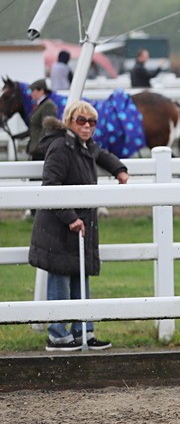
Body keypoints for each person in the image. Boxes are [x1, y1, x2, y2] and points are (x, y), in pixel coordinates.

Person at [28, 100, 129, 351]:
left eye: (91, 122)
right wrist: (71, 217)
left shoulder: (85, 146)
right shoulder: (61, 147)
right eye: (81, 121)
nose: (87, 126)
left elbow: (102, 154)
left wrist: (119, 170)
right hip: (59, 227)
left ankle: (83, 330)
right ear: (69, 121)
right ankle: (58, 334)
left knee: (79, 278)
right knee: (60, 278)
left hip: (78, 227)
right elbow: (51, 186)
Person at [25, 79, 57, 160]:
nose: (31, 93)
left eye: (33, 90)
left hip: (41, 152)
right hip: (36, 150)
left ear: (41, 90)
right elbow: (34, 128)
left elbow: (47, 128)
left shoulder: (48, 105)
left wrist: (38, 147)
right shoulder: (40, 105)